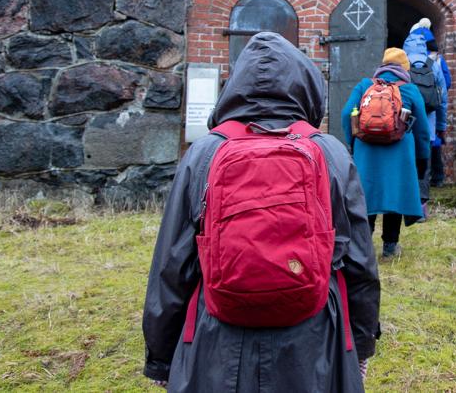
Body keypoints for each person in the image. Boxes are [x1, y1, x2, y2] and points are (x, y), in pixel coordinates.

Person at [142, 32, 381, 391]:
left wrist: (162, 359)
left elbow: (172, 264)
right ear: (306, 86)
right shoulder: (330, 152)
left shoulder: (204, 152)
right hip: (315, 339)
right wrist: (361, 345)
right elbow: (360, 261)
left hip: (216, 338)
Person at [341, 47, 431, 258]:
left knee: (366, 196)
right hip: (399, 153)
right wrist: (422, 158)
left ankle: (363, 246)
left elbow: (347, 113)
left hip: (366, 150)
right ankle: (390, 246)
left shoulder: (365, 85)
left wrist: (352, 142)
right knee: (394, 196)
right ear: (404, 68)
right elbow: (423, 131)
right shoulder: (409, 90)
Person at [402, 25, 448, 205]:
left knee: (406, 161)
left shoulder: (402, 65)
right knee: (424, 161)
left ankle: (406, 200)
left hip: (405, 123)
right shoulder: (433, 64)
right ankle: (422, 203)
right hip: (427, 123)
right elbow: (442, 99)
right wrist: (441, 127)